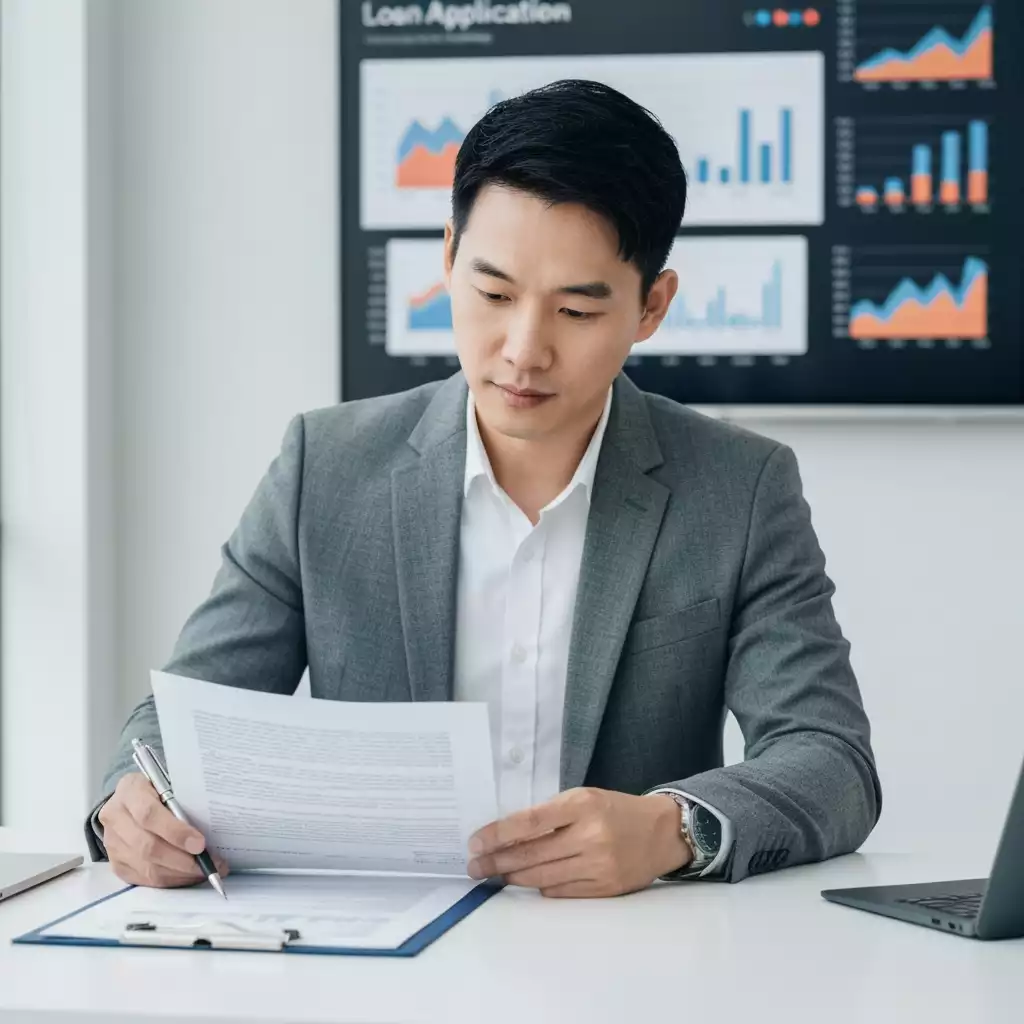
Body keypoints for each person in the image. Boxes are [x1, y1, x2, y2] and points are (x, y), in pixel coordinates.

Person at [88, 79, 881, 897]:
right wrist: (134, 803)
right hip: (379, 956)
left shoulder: (739, 489)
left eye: (575, 312)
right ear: (448, 258)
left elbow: (831, 759)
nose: (522, 350)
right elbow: (182, 719)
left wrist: (670, 828)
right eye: (494, 294)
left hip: (627, 958)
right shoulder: (322, 467)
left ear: (651, 306)